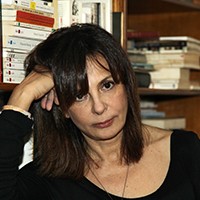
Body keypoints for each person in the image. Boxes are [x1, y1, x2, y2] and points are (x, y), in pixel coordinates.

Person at [0, 23, 199, 200]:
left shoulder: (186, 151)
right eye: (79, 95)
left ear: (127, 86)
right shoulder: (45, 181)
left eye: (107, 85)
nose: (99, 107)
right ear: (64, 109)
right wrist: (22, 95)